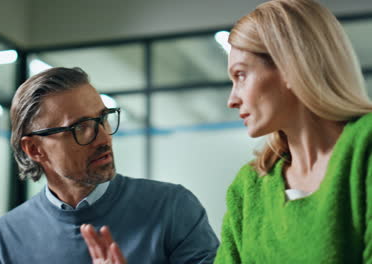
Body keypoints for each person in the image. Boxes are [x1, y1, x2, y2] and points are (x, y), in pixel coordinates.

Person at [81, 0, 372, 263]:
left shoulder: (364, 149)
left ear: (289, 67)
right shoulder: (250, 187)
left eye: (241, 75)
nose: (232, 99)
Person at [0, 67, 219, 263]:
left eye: (102, 118)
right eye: (81, 127)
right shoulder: (6, 236)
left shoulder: (172, 208)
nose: (104, 138)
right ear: (34, 149)